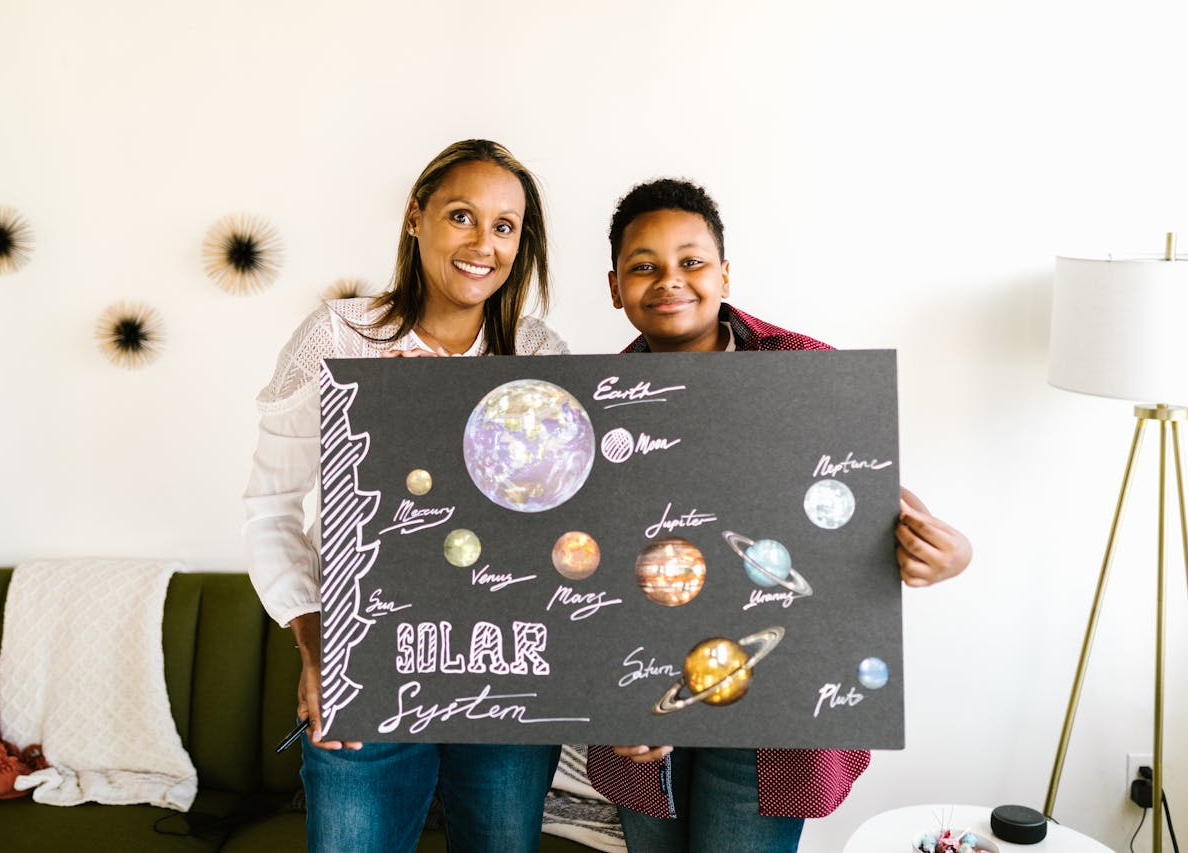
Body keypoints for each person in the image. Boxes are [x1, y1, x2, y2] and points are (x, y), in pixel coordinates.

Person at [586, 178, 973, 853]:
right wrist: (613, 698)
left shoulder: (805, 371)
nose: (668, 280)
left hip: (771, 715)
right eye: (643, 265)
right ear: (615, 286)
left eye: (691, 261)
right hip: (646, 703)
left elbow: (861, 499)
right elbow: (579, 570)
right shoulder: (594, 403)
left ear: (725, 274)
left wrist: (952, 552)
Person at [243, 139, 568, 853]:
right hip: (370, 673)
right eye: (462, 215)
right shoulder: (338, 336)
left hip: (507, 683)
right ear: (415, 217)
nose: (484, 243)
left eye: (505, 226)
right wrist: (316, 642)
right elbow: (271, 508)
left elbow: (567, 527)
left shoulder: (542, 358)